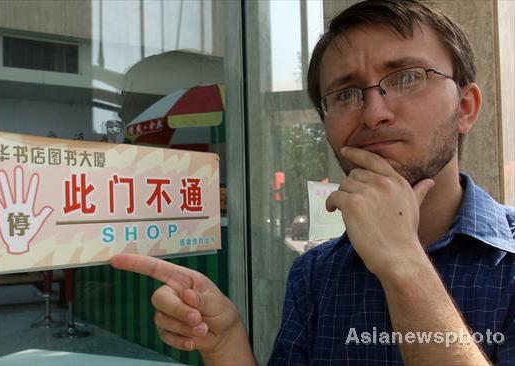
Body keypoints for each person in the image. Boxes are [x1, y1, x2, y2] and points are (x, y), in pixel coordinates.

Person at [111, 0, 515, 364]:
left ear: (465, 107)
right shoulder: (315, 274)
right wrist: (226, 345)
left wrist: (403, 263)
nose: (374, 113)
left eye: (407, 78)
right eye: (344, 94)